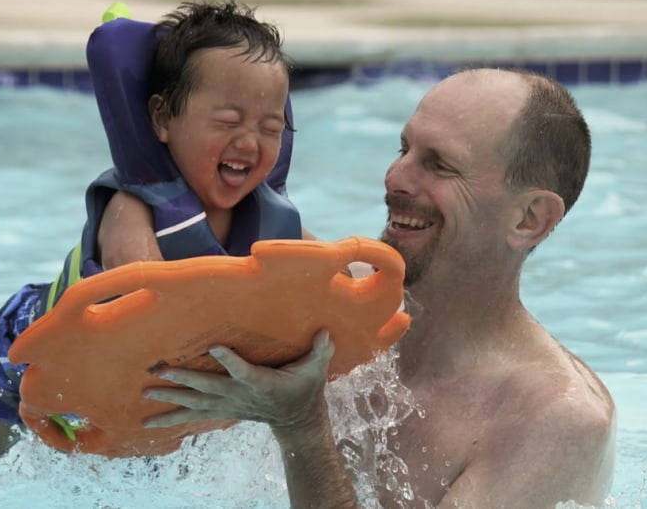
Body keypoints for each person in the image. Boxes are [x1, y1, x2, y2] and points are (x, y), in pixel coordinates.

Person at [141, 67, 617, 508]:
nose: (395, 178)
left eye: (440, 165)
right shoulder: (332, 297)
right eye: (403, 149)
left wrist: (301, 426)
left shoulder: (554, 422)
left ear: (529, 218)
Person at [0, 0, 313, 473]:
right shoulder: (135, 205)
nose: (250, 142)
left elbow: (327, 273)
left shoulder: (270, 220)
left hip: (130, 378)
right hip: (32, 349)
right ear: (161, 119)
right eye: (228, 122)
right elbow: (137, 288)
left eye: (270, 128)